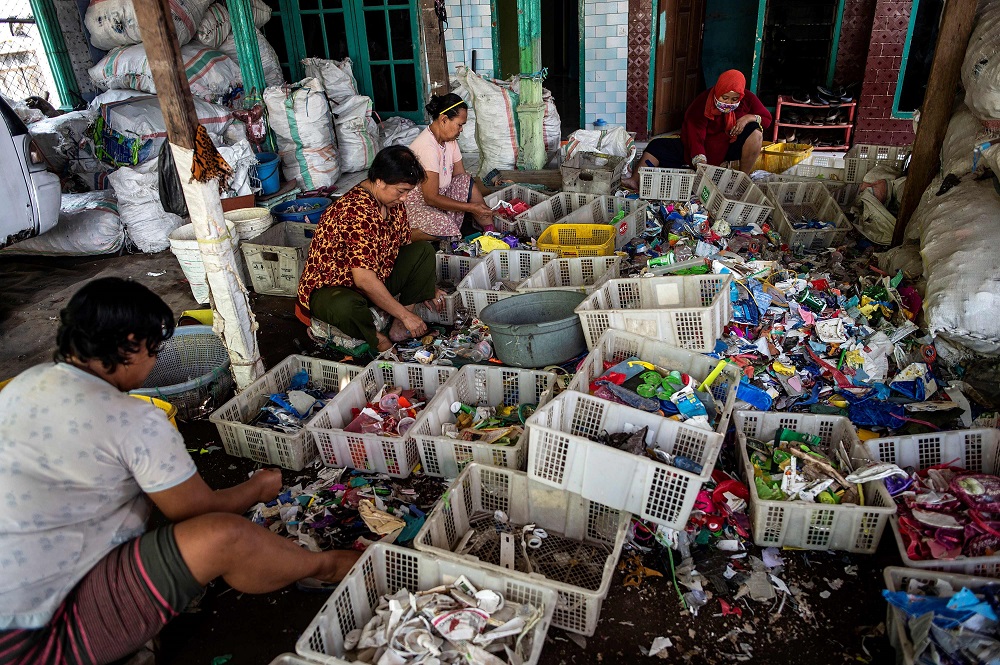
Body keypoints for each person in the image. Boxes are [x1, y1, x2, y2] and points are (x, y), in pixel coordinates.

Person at [0, 278, 360, 665]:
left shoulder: (24, 385)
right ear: (132, 345)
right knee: (224, 535)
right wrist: (258, 487)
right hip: (34, 640)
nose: (156, 360)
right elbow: (198, 514)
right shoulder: (134, 419)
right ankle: (325, 567)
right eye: (154, 349)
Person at [297, 145, 446, 355]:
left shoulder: (392, 203)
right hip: (335, 287)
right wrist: (404, 313)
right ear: (379, 181)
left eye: (408, 192)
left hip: (377, 274)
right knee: (346, 307)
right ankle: (378, 339)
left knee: (423, 252)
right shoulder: (356, 212)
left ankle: (398, 327)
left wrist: (426, 286)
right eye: (401, 191)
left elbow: (404, 245)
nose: (404, 198)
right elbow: (363, 280)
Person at [622, 70, 771, 188]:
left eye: (734, 99)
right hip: (703, 148)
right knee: (656, 146)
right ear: (718, 91)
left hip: (729, 146)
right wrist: (701, 163)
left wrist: (748, 118)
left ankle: (742, 179)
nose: (728, 103)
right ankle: (635, 180)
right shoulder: (702, 103)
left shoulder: (748, 98)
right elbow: (695, 135)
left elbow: (767, 119)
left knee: (755, 130)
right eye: (724, 98)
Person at [405, 93, 495, 241]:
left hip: (440, 195)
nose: (461, 130)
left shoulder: (449, 141)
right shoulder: (427, 147)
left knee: (465, 180)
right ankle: (409, 235)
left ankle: (491, 231)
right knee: (446, 225)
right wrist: (471, 208)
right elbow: (430, 198)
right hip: (419, 205)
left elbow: (461, 177)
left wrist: (481, 209)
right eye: (460, 125)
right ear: (444, 120)